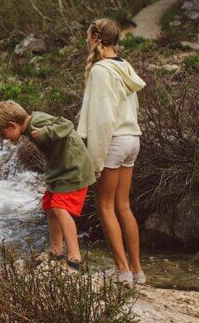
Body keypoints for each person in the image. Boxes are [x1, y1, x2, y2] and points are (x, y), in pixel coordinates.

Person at [77, 18, 146, 285]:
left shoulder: (100, 70)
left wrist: (94, 159)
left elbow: (102, 120)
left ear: (95, 38)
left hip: (114, 140)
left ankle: (122, 271)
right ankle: (137, 271)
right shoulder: (124, 66)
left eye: (87, 36)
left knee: (105, 206)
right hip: (132, 138)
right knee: (124, 206)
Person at [0, 101, 96, 270]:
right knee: (48, 205)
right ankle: (56, 250)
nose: (5, 139)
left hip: (74, 169)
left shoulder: (37, 122)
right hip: (61, 170)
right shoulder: (31, 125)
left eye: (3, 134)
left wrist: (46, 132)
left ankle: (75, 256)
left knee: (60, 207)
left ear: (12, 125)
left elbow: (67, 124)